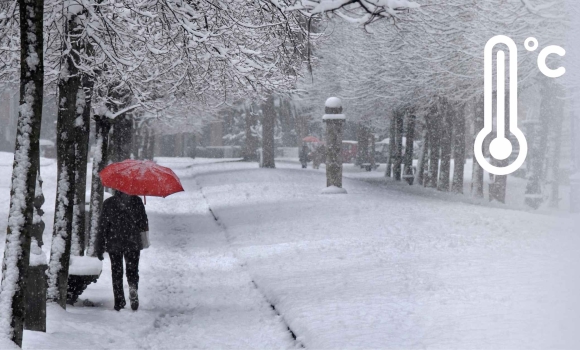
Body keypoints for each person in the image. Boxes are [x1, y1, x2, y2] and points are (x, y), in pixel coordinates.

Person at [95, 190, 148, 311]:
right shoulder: (137, 201)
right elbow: (143, 222)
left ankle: (119, 301)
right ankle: (133, 287)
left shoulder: (109, 203)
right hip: (133, 241)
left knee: (116, 271)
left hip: (115, 243)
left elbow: (103, 226)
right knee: (132, 269)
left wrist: (100, 246)